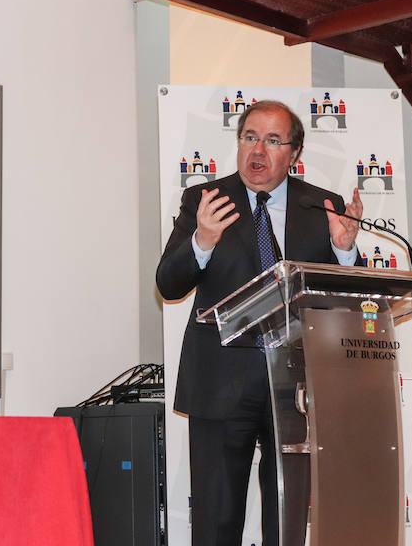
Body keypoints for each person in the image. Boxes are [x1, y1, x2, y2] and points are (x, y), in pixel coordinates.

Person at [156, 100, 363, 546]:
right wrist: (201, 242)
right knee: (215, 522)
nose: (258, 150)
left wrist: (345, 252)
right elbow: (168, 285)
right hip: (220, 382)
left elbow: (346, 302)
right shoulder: (205, 200)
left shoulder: (323, 207)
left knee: (285, 522)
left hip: (298, 386)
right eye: (250, 137)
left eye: (273, 141)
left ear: (295, 153)